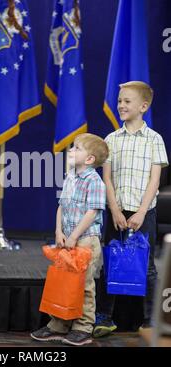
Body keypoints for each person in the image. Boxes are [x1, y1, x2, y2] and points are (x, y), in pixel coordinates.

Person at [94, 81, 169, 338]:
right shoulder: (111, 139)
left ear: (143, 106)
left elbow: (155, 180)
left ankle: (150, 319)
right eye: (119, 101)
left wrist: (139, 212)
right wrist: (114, 210)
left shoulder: (154, 140)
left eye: (127, 101)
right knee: (110, 263)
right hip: (117, 212)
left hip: (143, 212)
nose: (121, 105)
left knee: (147, 267)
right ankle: (104, 316)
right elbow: (107, 179)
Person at [31, 133, 109, 346]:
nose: (71, 151)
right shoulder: (70, 176)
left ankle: (83, 327)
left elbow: (92, 212)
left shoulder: (94, 181)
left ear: (90, 159)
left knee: (84, 285)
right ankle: (59, 324)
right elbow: (61, 206)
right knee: (63, 283)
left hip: (85, 240)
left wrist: (75, 235)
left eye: (76, 148)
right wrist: (59, 231)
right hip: (67, 239)